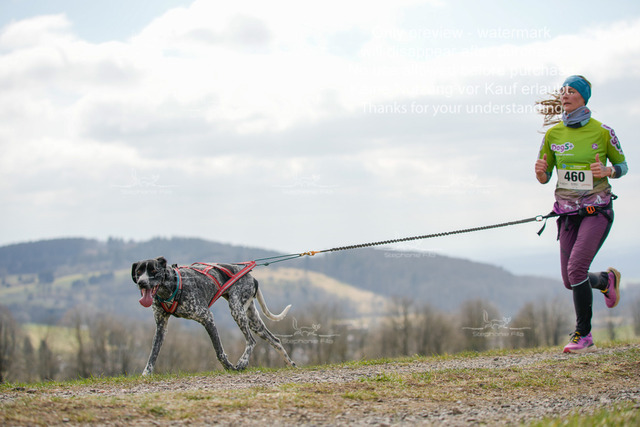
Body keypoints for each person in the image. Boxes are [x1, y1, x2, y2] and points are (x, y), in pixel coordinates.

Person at [534, 75, 627, 353]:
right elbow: (545, 176)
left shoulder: (603, 132)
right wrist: (540, 174)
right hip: (567, 215)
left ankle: (583, 336)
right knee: (570, 279)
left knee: (576, 270)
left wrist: (608, 170)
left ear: (583, 97)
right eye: (562, 91)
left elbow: (623, 166)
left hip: (597, 211)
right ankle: (606, 280)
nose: (565, 95)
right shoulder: (553, 135)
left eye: (571, 91)